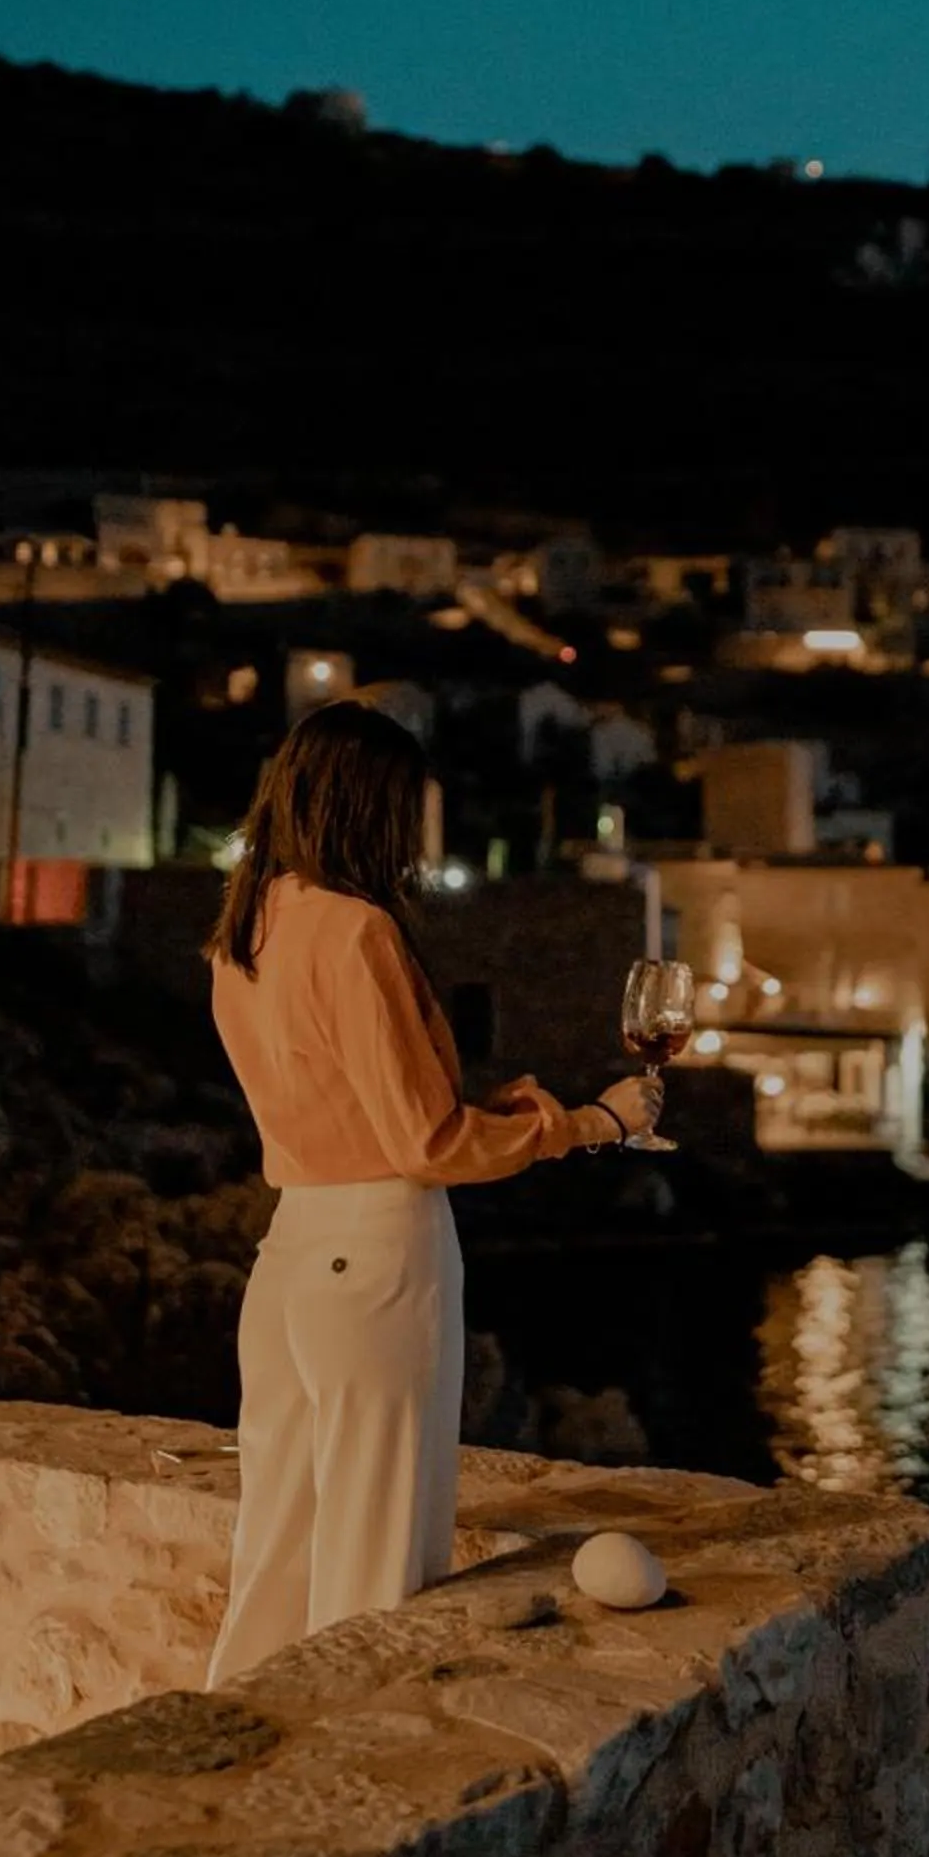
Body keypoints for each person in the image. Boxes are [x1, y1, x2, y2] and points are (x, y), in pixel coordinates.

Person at [203, 701, 660, 1680]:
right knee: (375, 1543)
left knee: (278, 1541)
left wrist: (484, 1102)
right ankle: (341, 1779)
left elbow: (343, 1101)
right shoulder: (356, 930)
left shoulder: (244, 932)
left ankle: (240, 1738)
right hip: (374, 1250)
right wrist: (591, 1123)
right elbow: (423, 1142)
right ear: (370, 810)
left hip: (288, 1252)